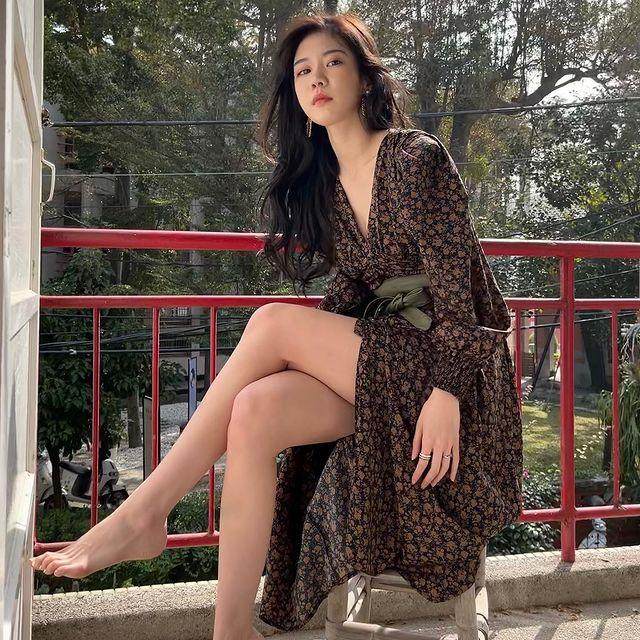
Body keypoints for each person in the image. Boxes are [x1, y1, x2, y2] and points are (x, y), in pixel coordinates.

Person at [31, 10, 523, 640]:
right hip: (386, 370)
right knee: (254, 410)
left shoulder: (414, 158)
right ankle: (231, 629)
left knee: (270, 324)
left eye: (333, 63)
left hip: (456, 374)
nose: (317, 78)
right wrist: (310, 354)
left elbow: (462, 296)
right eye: (303, 71)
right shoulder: (327, 185)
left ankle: (143, 514)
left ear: (365, 78)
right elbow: (353, 295)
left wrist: (448, 394)